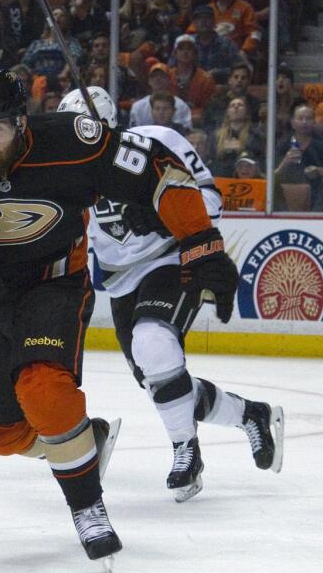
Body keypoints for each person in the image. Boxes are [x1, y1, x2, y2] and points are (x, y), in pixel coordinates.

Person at [0, 69, 238, 561]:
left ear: (21, 123)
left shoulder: (71, 141)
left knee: (43, 387)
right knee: (0, 436)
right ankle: (84, 442)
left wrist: (201, 244)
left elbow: (160, 169)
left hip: (55, 281)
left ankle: (89, 510)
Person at [58, 86, 283, 501]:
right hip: (121, 279)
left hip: (171, 259)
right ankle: (250, 414)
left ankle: (186, 451)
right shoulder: (63, 174)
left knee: (153, 342)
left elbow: (210, 200)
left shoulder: (158, 142)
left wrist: (163, 215)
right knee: (160, 380)